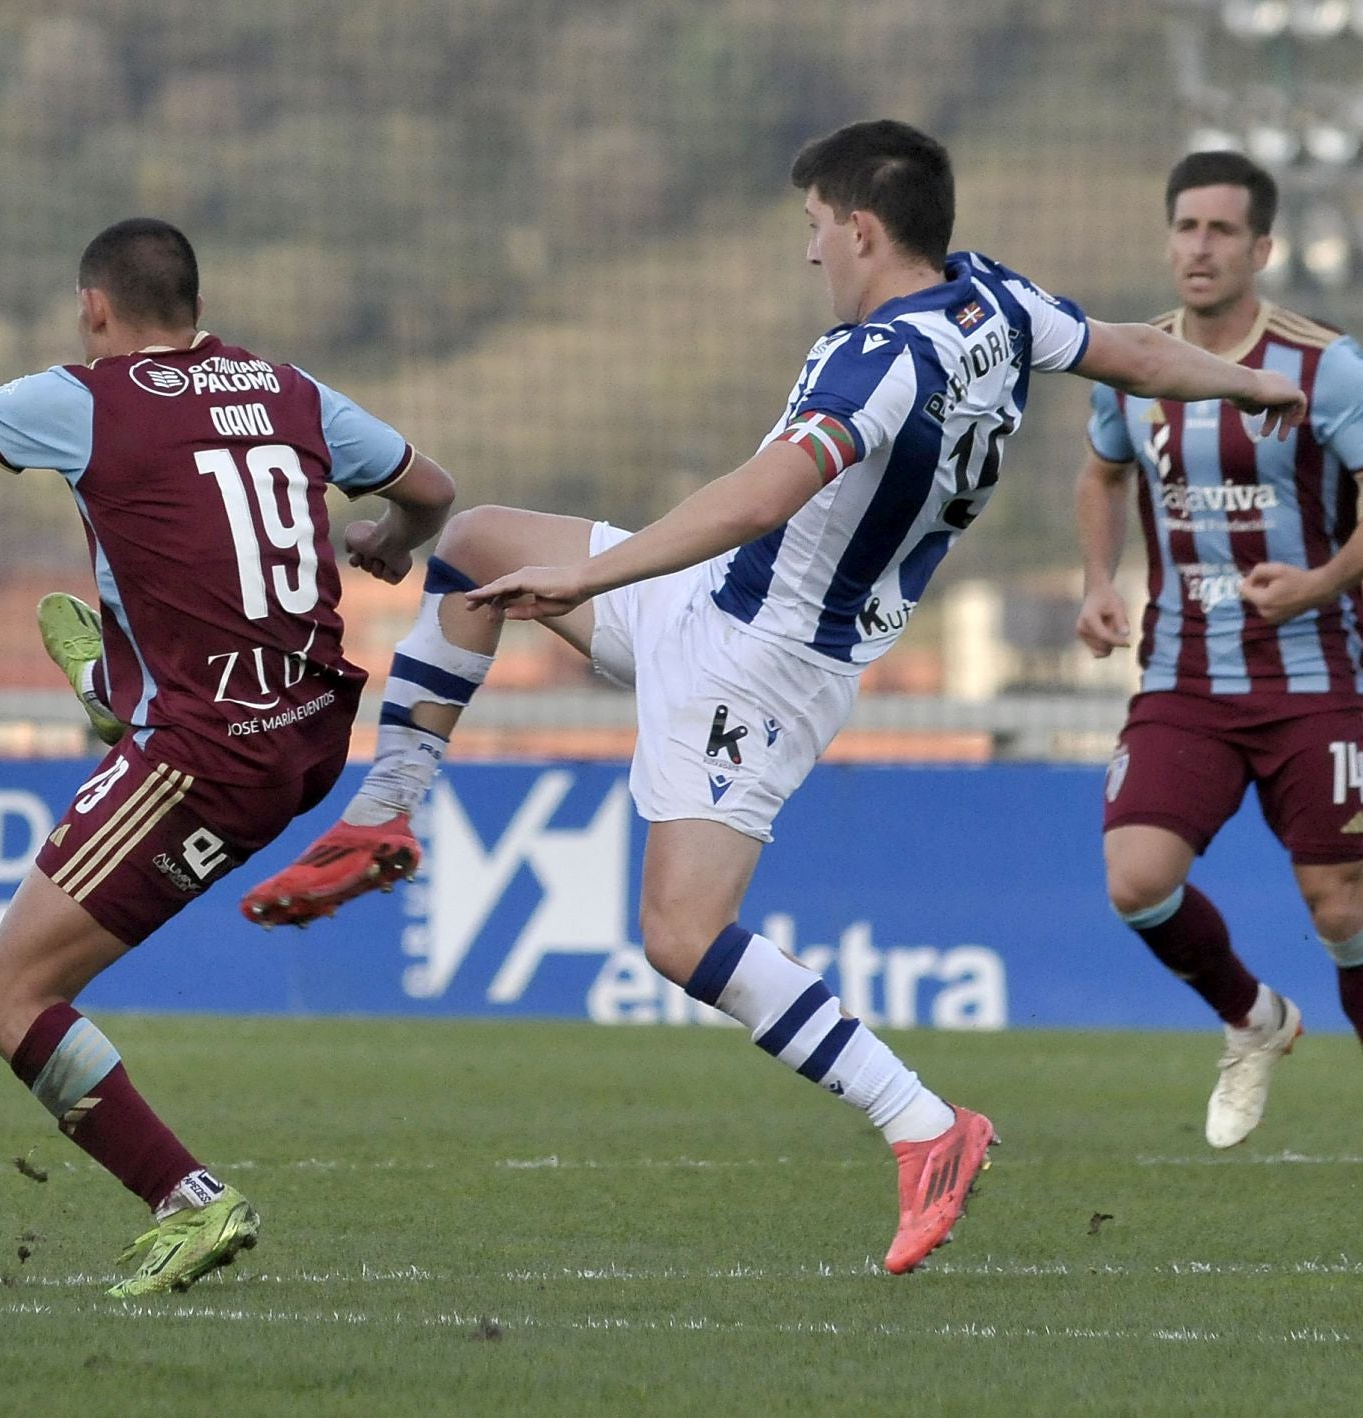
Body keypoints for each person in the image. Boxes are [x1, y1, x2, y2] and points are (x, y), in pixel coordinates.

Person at [241, 121, 1309, 1273]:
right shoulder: (991, 299)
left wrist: (593, 572)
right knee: (475, 542)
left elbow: (761, 495)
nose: (811, 255)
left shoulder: (883, 359)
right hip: (715, 597)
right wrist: (1249, 381)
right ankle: (387, 805)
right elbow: (1133, 353)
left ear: (859, 228)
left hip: (760, 659)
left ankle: (923, 1122)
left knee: (679, 931)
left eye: (814, 228)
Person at [0, 218, 457, 1293]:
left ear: (96, 308)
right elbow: (433, 489)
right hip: (312, 725)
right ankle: (120, 685)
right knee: (152, 599)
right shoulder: (288, 388)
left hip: (209, 752)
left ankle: (190, 1202)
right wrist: (392, 541)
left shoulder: (86, 398)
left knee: (9, 996)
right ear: (193, 300)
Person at [1073, 151, 1363, 1179]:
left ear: (1262, 248)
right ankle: (1253, 1017)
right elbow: (1099, 472)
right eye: (1186, 226)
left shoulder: (1325, 365)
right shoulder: (1136, 362)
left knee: (1340, 902)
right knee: (1137, 880)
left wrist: (1325, 582)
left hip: (1313, 679)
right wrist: (1098, 580)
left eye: (1223, 230)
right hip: (1183, 679)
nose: (1199, 246)